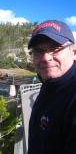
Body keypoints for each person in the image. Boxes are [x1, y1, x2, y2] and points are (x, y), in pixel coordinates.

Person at [27, 20, 76, 154]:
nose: (45, 57)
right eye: (38, 51)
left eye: (54, 48)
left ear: (74, 52)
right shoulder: (49, 83)